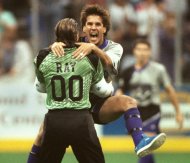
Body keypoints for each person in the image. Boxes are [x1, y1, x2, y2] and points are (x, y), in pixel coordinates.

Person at [28, 5, 166, 163]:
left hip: (99, 105)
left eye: (98, 24)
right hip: (75, 108)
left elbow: (109, 64)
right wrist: (54, 46)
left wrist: (94, 49)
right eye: (89, 24)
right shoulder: (74, 43)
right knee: (41, 133)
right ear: (84, 29)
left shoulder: (115, 47)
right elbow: (52, 57)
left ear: (105, 28)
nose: (93, 27)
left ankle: (140, 141)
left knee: (128, 102)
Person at [33, 18, 115, 163]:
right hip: (81, 121)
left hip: (54, 121)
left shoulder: (43, 56)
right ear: (77, 35)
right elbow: (102, 91)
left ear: (56, 36)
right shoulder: (90, 57)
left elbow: (40, 86)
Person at [116, 38, 184, 163]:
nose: (142, 52)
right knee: (146, 148)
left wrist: (178, 112)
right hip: (135, 114)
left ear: (150, 52)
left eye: (145, 50)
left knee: (144, 146)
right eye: (139, 49)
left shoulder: (158, 69)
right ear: (134, 51)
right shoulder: (128, 71)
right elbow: (120, 91)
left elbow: (170, 90)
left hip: (153, 111)